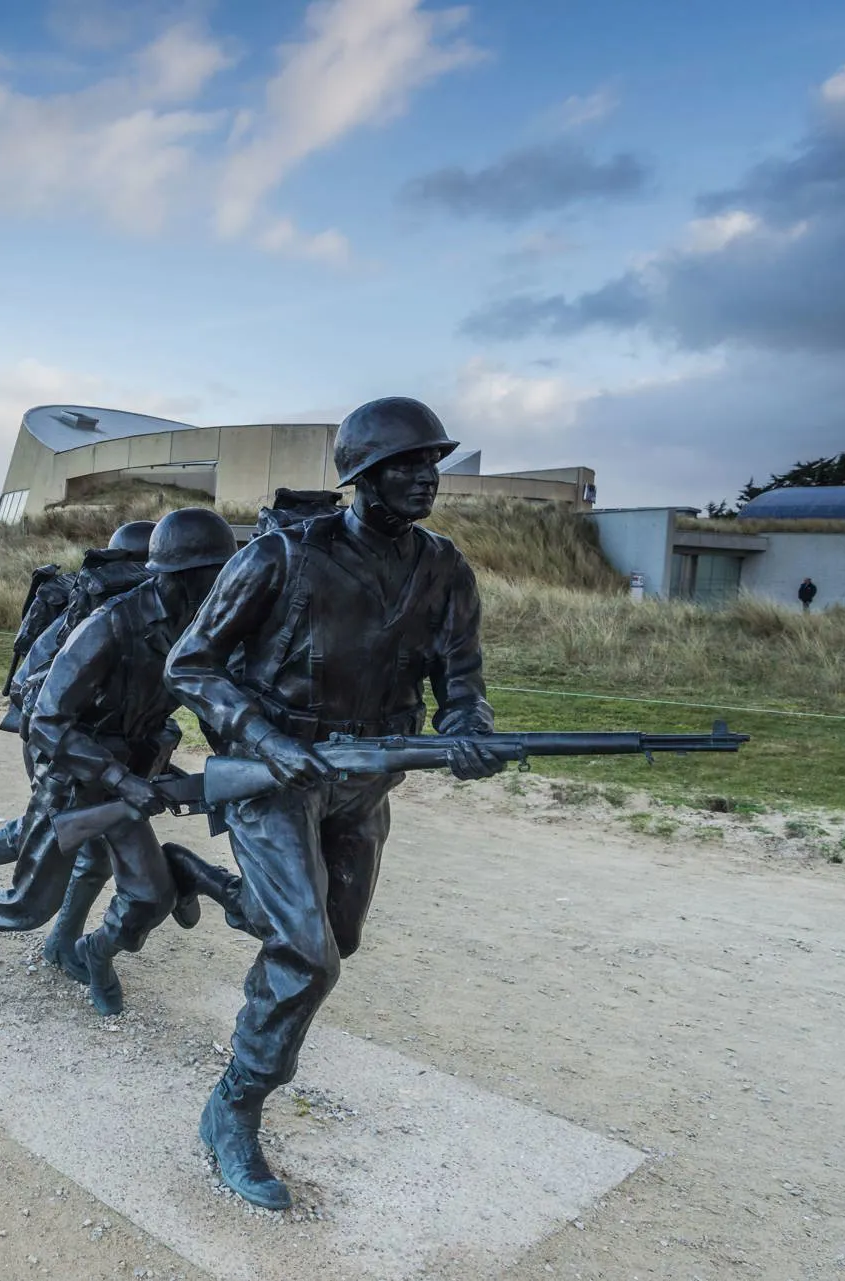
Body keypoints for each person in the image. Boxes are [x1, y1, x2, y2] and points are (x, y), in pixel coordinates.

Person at [165, 396, 505, 1210]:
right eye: (406, 465)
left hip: (366, 780)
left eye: (431, 463)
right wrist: (263, 737)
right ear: (364, 475)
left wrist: (469, 733)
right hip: (274, 776)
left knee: (335, 936)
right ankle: (235, 1104)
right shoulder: (281, 555)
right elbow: (190, 663)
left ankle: (216, 885)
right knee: (308, 955)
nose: (426, 477)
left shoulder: (445, 569)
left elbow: (462, 683)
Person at [0, 507, 239, 1016]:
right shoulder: (110, 625)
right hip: (75, 778)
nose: (226, 586)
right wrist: (117, 777)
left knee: (149, 895)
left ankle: (89, 951)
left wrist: (234, 765)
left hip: (129, 780)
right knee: (30, 905)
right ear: (182, 575)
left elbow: (210, 701)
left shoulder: (194, 628)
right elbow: (46, 722)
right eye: (216, 575)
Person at [0, 520, 157, 967]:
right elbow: (35, 690)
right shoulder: (96, 609)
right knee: (71, 838)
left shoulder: (142, 612)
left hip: (96, 746)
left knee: (62, 831)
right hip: (60, 743)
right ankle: (52, 938)